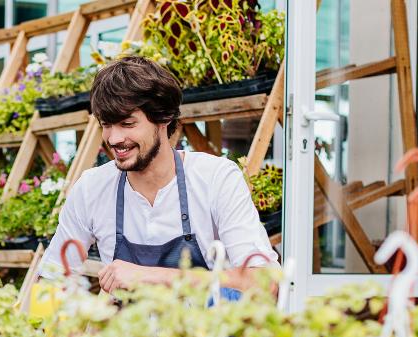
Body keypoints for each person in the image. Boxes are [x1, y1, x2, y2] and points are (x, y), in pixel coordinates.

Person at [39, 56, 279, 294]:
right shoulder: (92, 188)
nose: (113, 138)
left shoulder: (216, 178)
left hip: (203, 331)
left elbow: (265, 283)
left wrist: (148, 276)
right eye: (106, 124)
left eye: (127, 123)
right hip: (127, 331)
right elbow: (53, 280)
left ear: (163, 118)